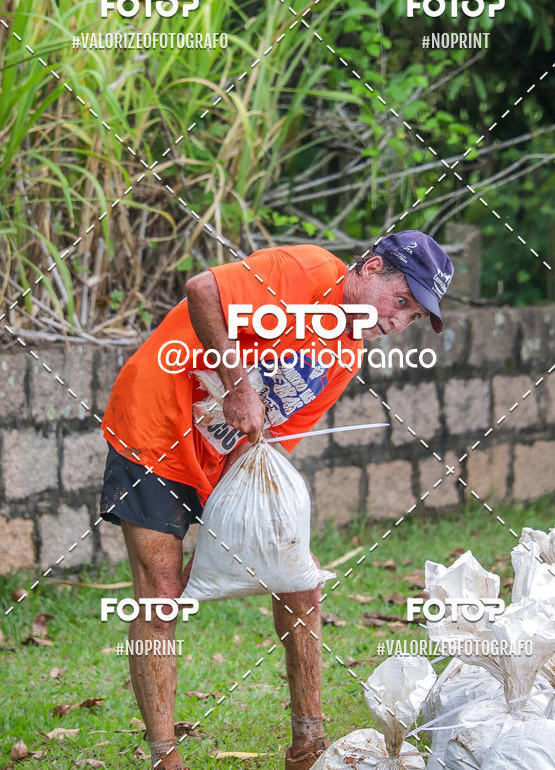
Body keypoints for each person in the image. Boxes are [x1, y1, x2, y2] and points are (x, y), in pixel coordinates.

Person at [99, 230, 453, 770]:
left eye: (412, 317)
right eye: (400, 301)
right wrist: (238, 382)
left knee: (300, 578)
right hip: (156, 425)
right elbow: (202, 291)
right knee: (160, 594)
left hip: (225, 453)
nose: (396, 322)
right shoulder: (306, 271)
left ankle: (307, 742)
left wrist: (233, 532)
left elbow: (272, 439)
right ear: (371, 267)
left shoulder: (345, 354)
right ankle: (164, 756)